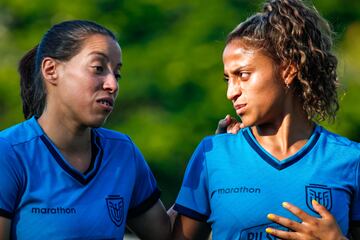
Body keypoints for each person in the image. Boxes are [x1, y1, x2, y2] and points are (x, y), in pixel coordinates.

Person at [172, 0, 360, 239]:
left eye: (243, 75)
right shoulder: (212, 155)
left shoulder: (351, 160)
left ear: (289, 70)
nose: (231, 92)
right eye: (227, 79)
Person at [0, 20, 172, 239]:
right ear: (51, 70)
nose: (112, 84)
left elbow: (167, 235)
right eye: (98, 69)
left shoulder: (122, 152)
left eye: (117, 74)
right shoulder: (8, 153)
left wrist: (212, 165)